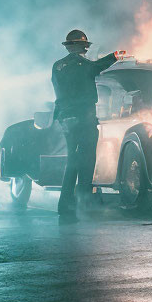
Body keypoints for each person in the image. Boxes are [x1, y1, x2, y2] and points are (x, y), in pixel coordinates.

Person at [51, 30, 123, 221]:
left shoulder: (57, 66)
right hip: (83, 117)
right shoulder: (82, 64)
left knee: (72, 161)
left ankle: (65, 205)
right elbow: (97, 66)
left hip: (65, 118)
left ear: (68, 46)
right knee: (87, 161)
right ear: (83, 47)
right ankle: (83, 202)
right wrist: (116, 55)